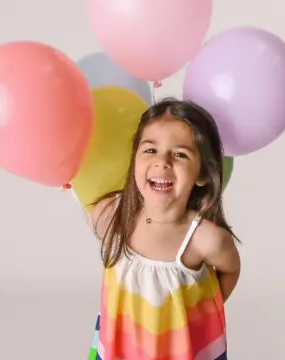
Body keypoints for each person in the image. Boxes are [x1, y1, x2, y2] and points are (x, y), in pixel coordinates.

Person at [87, 98, 241, 360]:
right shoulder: (110, 215)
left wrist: (200, 313)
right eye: (150, 150)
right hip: (121, 347)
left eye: (180, 154)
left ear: (203, 174)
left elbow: (230, 268)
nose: (162, 163)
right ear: (134, 159)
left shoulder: (205, 240)